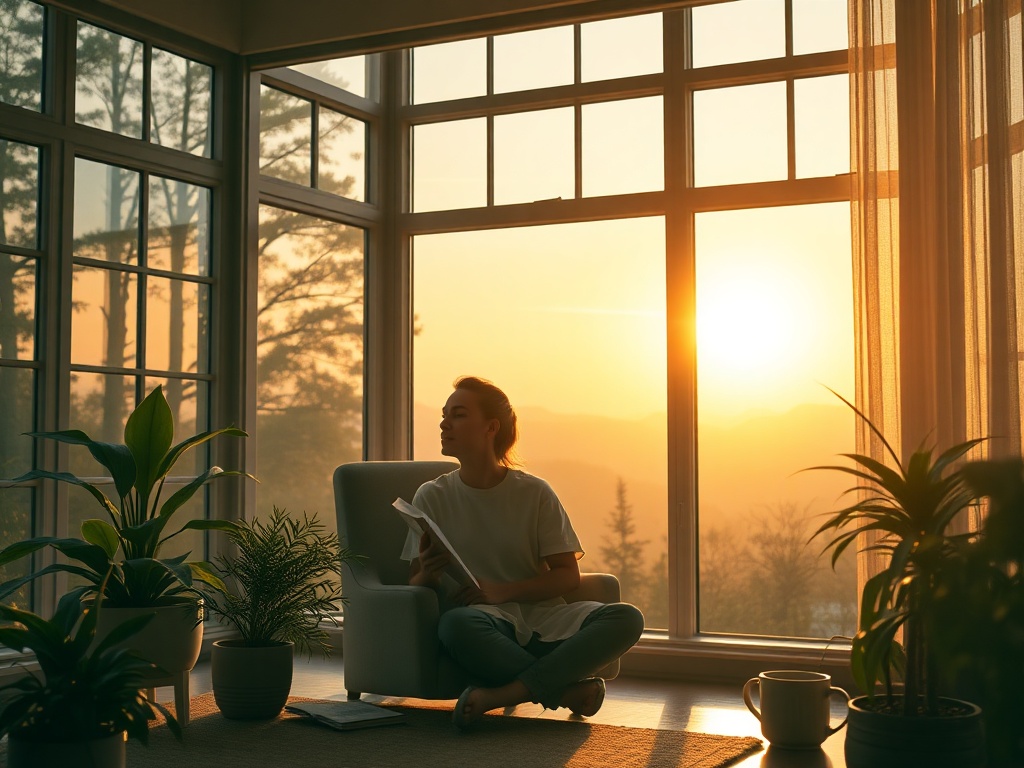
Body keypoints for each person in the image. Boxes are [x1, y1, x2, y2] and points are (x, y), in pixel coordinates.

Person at [402, 376, 645, 730]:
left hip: (544, 620)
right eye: (444, 415)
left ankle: (502, 694)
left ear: (491, 427)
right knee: (454, 625)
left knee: (627, 618)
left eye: (458, 415)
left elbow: (567, 576)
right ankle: (564, 693)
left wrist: (502, 591)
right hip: (484, 625)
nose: (444, 423)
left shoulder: (535, 493)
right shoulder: (431, 496)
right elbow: (415, 582)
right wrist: (428, 572)